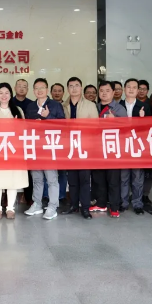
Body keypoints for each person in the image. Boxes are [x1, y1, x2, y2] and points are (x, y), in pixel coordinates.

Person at [0, 83, 28, 219]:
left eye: (6, 93)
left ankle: (10, 208)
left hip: (13, 151)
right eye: (1, 93)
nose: (4, 96)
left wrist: (16, 125)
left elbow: (23, 131)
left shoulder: (17, 110)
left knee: (12, 180)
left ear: (10, 94)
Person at [25, 78, 65, 220]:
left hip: (49, 146)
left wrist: (48, 117)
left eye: (42, 87)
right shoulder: (30, 106)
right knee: (37, 178)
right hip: (35, 147)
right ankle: (37, 204)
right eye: (36, 88)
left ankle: (52, 206)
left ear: (47, 90)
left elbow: (63, 125)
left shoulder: (55, 105)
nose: (39, 90)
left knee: (51, 179)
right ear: (33, 90)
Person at [62, 77, 98, 219]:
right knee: (72, 179)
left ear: (81, 88)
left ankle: (85, 207)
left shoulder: (90, 105)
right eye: (71, 86)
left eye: (77, 85)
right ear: (68, 89)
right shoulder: (63, 105)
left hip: (84, 146)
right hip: (69, 147)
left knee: (84, 179)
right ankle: (74, 205)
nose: (74, 88)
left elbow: (95, 126)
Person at [90, 81, 127, 218]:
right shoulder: (95, 107)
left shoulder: (119, 109)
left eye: (107, 90)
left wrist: (115, 121)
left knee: (113, 180)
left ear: (113, 92)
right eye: (101, 91)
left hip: (112, 149)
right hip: (97, 149)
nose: (104, 93)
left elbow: (126, 129)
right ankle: (101, 203)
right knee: (98, 179)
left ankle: (114, 207)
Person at [119, 78, 149, 215]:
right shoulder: (117, 106)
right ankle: (123, 203)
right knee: (123, 177)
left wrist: (143, 120)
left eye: (134, 87)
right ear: (124, 89)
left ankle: (137, 204)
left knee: (137, 178)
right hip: (122, 146)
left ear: (138, 90)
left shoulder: (144, 107)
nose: (131, 89)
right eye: (129, 87)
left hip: (138, 146)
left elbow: (151, 128)